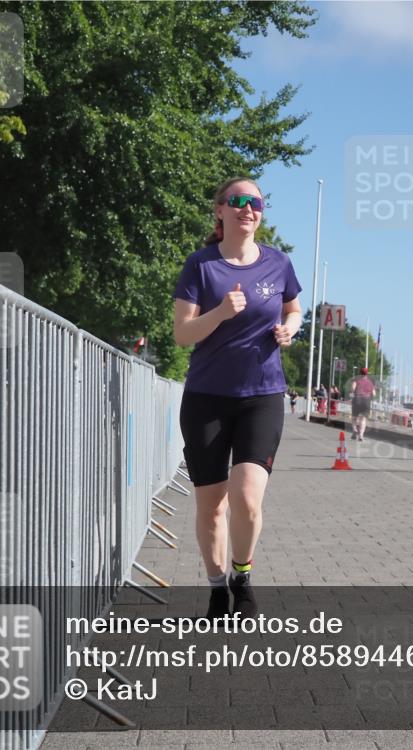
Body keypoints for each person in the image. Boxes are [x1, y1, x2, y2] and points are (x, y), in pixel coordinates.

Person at [173, 177, 302, 620]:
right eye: (238, 201)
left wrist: (292, 329)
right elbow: (181, 334)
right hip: (206, 398)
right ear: (220, 211)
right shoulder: (201, 266)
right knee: (211, 508)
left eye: (257, 203)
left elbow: (294, 307)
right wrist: (221, 313)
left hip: (262, 396)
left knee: (247, 497)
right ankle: (215, 588)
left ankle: (242, 576)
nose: (248, 208)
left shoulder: (278, 263)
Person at [350, 367, 376, 441]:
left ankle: (355, 430)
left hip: (357, 400)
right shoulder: (370, 382)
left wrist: (352, 393)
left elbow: (352, 389)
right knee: (363, 419)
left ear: (360, 372)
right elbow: (374, 394)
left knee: (354, 417)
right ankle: (361, 435)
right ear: (367, 373)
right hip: (366, 401)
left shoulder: (356, 379)